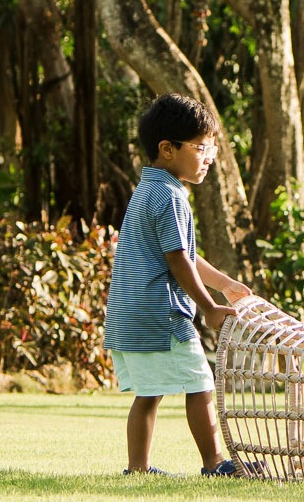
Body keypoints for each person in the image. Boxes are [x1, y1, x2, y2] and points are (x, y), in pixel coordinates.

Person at [103, 93, 257, 477]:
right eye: (201, 147)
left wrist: (223, 283)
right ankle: (215, 463)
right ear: (167, 149)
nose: (209, 157)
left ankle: (137, 469)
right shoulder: (170, 196)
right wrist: (208, 308)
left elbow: (183, 254)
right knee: (201, 384)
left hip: (129, 314)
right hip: (161, 314)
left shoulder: (149, 190)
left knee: (149, 393)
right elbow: (177, 261)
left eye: (211, 148)